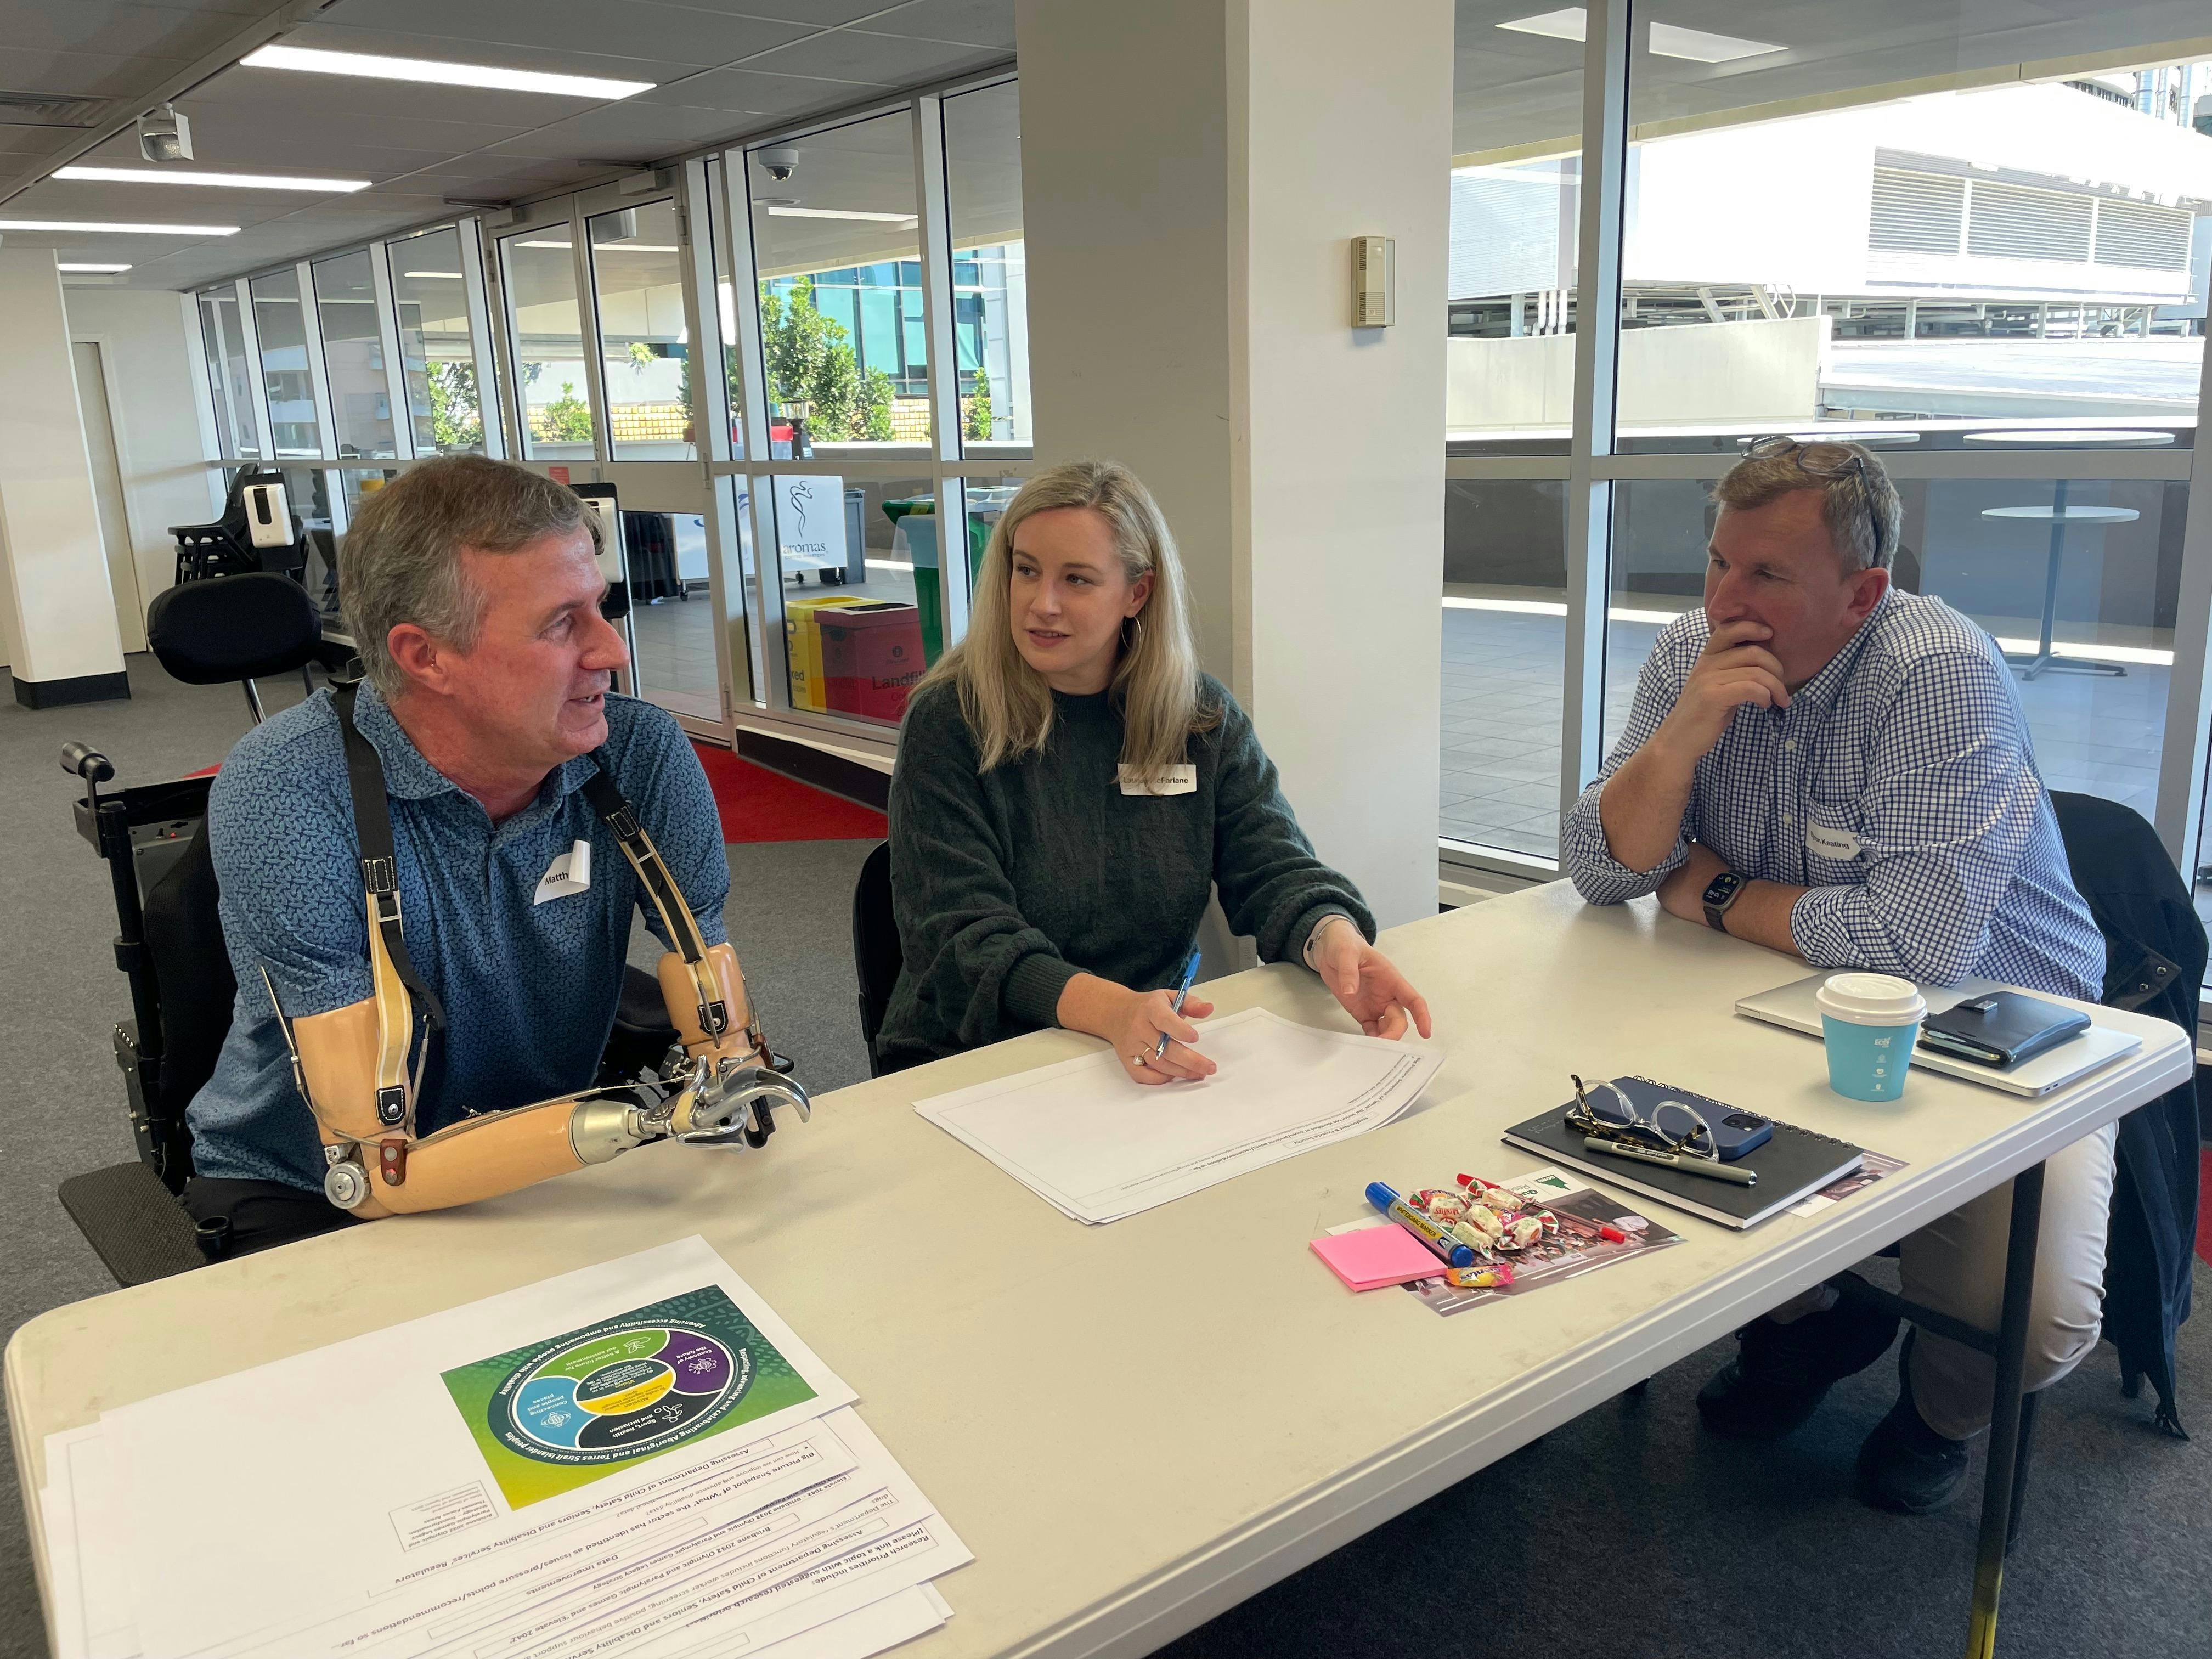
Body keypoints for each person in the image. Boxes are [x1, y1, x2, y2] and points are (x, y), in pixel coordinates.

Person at [1560, 437, 2111, 1515]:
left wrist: (1715, 894)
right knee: (1654, 1160)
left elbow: (1919, 944)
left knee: (2036, 1315)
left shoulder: (1938, 675)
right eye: (1719, 562)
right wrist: (1678, 741)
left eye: (1766, 575)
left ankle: (1938, 1409)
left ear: (1864, 592)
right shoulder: (1692, 654)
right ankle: (1813, 1326)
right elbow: (1596, 869)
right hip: (1776, 1004)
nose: (1727, 599)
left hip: (1997, 1024)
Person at [183, 456, 797, 1256]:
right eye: (560, 623)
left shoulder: (639, 753)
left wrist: (729, 1084)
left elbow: (713, 997)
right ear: (425, 655)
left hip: (541, 1149)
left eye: (600, 609)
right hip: (314, 1183)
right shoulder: (288, 790)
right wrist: (636, 1126)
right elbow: (374, 1167)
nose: (611, 651)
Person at [880, 460, 1431, 1078]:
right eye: (1027, 570)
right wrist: (1114, 1010)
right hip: (976, 1054)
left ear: (1136, 594)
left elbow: (1272, 864)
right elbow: (961, 937)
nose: (1043, 604)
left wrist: (1330, 937)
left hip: (1146, 1045)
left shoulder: (1198, 717)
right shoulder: (950, 720)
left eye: (1078, 580)